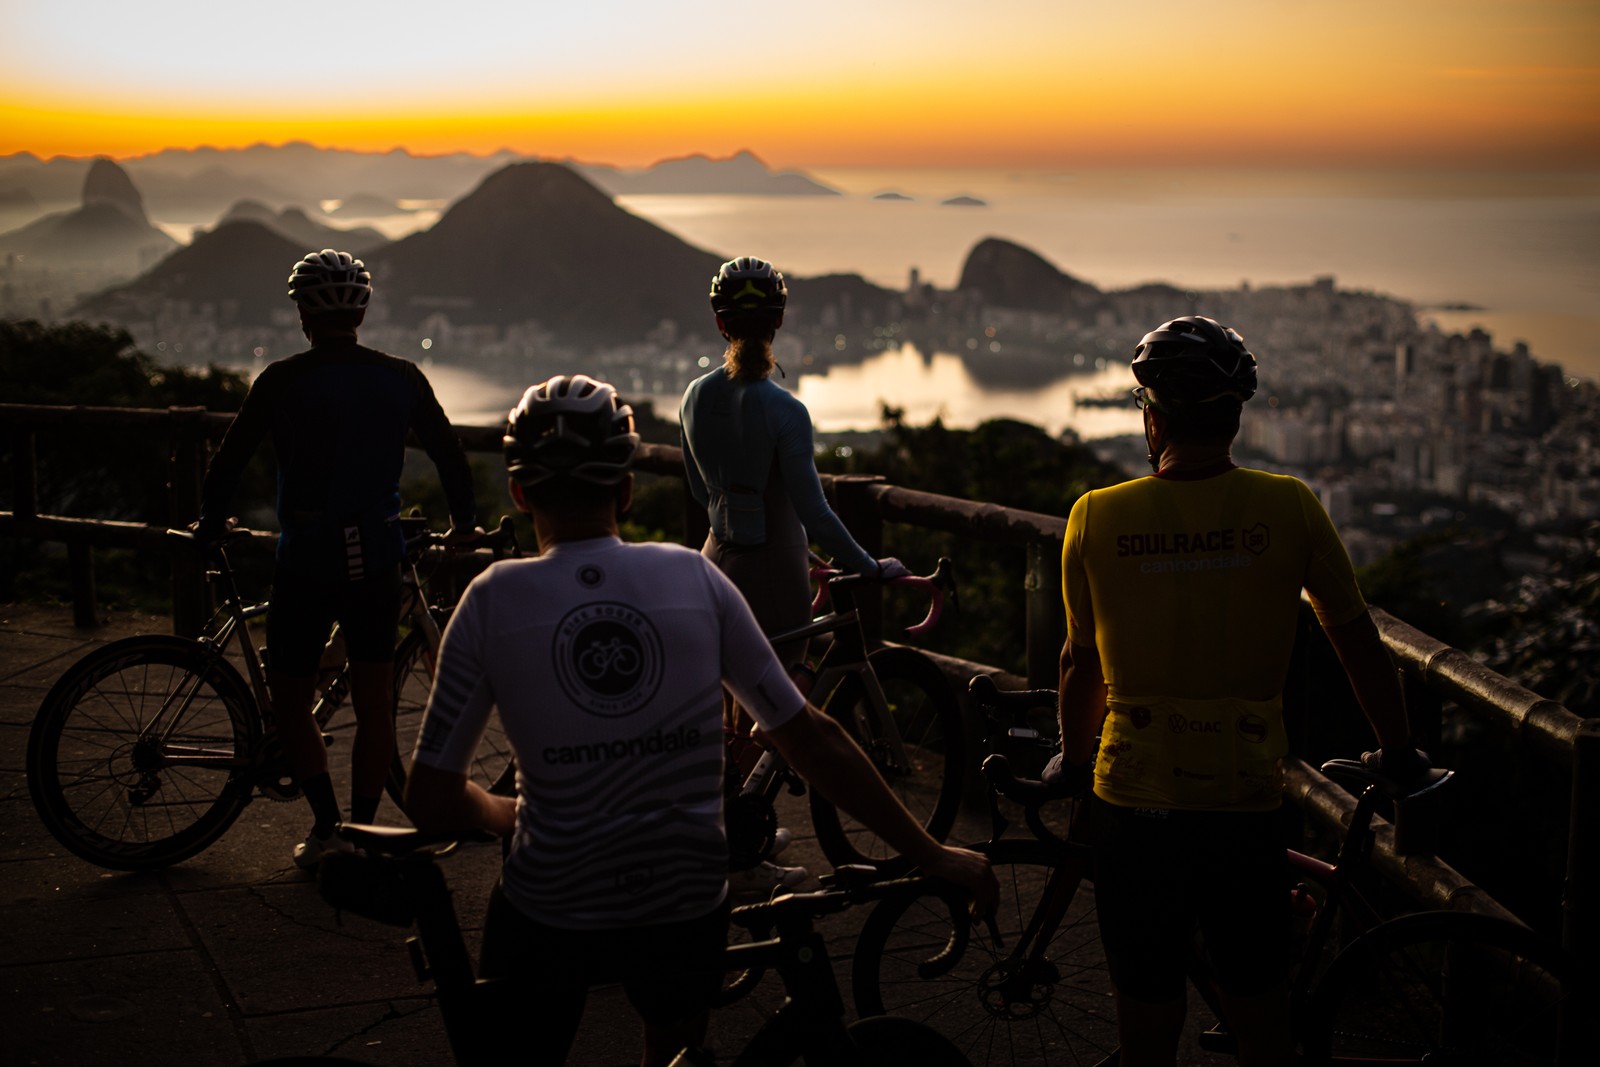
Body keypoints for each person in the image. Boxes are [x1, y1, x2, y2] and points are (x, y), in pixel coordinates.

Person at [404, 374, 997, 1067]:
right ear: (625, 490)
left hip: (553, 906)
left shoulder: (491, 600)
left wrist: (511, 813)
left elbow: (432, 797)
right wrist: (931, 852)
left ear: (519, 493)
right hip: (684, 902)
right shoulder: (694, 579)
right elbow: (807, 736)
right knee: (680, 1047)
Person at [1053, 316, 1427, 1067]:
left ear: (1152, 417)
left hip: (1133, 806)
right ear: (1235, 417)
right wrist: (1396, 747)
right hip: (1243, 808)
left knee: (1147, 1038)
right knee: (1263, 1032)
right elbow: (1355, 638)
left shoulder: (1096, 516)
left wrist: (1071, 757)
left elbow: (1078, 664)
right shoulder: (1289, 506)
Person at [195, 249, 481, 869]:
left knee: (290, 697)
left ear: (302, 313)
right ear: (364, 310)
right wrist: (464, 524)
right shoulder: (401, 377)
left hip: (306, 555)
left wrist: (212, 523)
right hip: (375, 555)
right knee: (375, 704)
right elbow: (450, 456)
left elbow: (228, 463)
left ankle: (325, 827)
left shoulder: (281, 379)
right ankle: (363, 834)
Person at [679, 256, 909, 892]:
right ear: (778, 321)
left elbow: (702, 490)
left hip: (714, 561)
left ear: (719, 320)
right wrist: (868, 565)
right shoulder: (784, 409)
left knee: (728, 712)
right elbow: (814, 510)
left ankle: (727, 829)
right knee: (781, 710)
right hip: (775, 572)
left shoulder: (696, 396)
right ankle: (739, 847)